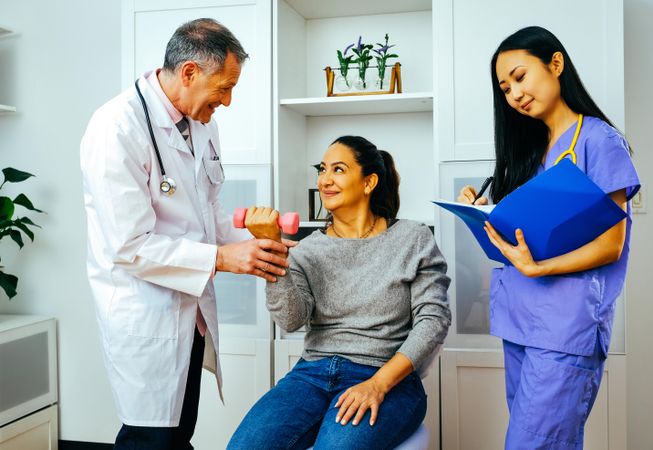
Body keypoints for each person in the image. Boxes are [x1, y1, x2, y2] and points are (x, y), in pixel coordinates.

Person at [80, 18, 291, 450]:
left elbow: (206, 209)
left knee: (178, 433)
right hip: (146, 311)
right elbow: (127, 246)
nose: (228, 101)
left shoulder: (202, 121)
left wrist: (251, 250)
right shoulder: (116, 128)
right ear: (190, 72)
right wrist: (222, 259)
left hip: (190, 312)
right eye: (224, 87)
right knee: (149, 438)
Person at [457, 26, 640, 449]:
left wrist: (540, 267)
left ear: (555, 64)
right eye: (505, 88)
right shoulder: (528, 151)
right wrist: (478, 207)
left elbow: (611, 244)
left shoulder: (598, 141)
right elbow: (520, 230)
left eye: (520, 77)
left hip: (565, 327)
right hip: (520, 322)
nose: (514, 94)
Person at [227, 136, 452, 449]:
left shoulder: (412, 239)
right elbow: (290, 320)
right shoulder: (306, 250)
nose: (325, 179)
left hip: (386, 376)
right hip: (311, 374)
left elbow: (433, 321)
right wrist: (276, 255)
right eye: (322, 170)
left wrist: (377, 384)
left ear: (369, 182)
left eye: (338, 169)